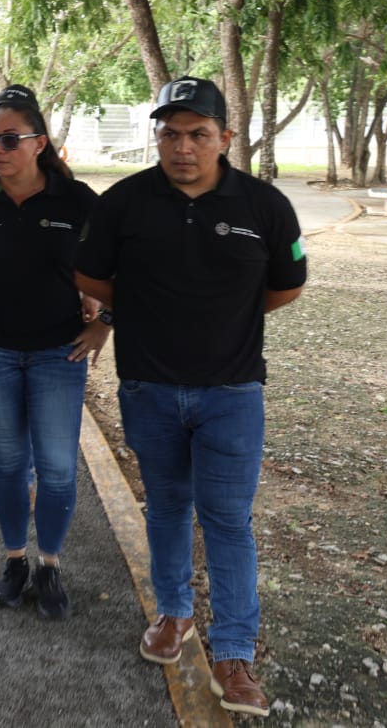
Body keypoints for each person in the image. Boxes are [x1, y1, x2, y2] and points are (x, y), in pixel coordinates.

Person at [76, 76, 306, 717]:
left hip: (232, 392)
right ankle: (174, 614)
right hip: (148, 388)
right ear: (157, 137)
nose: (183, 147)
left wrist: (224, 315)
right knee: (167, 506)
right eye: (170, 134)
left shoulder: (265, 206)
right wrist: (148, 309)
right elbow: (90, 273)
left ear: (224, 137)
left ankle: (233, 654)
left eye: (198, 134)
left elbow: (287, 285)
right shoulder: (124, 202)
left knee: (228, 519)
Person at [0, 83, 107, 620]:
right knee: (11, 464)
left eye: (10, 139)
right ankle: (15, 561)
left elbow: (121, 267)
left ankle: (50, 565)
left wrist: (104, 324)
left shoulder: (77, 201)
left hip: (58, 354)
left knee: (57, 469)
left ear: (40, 143)